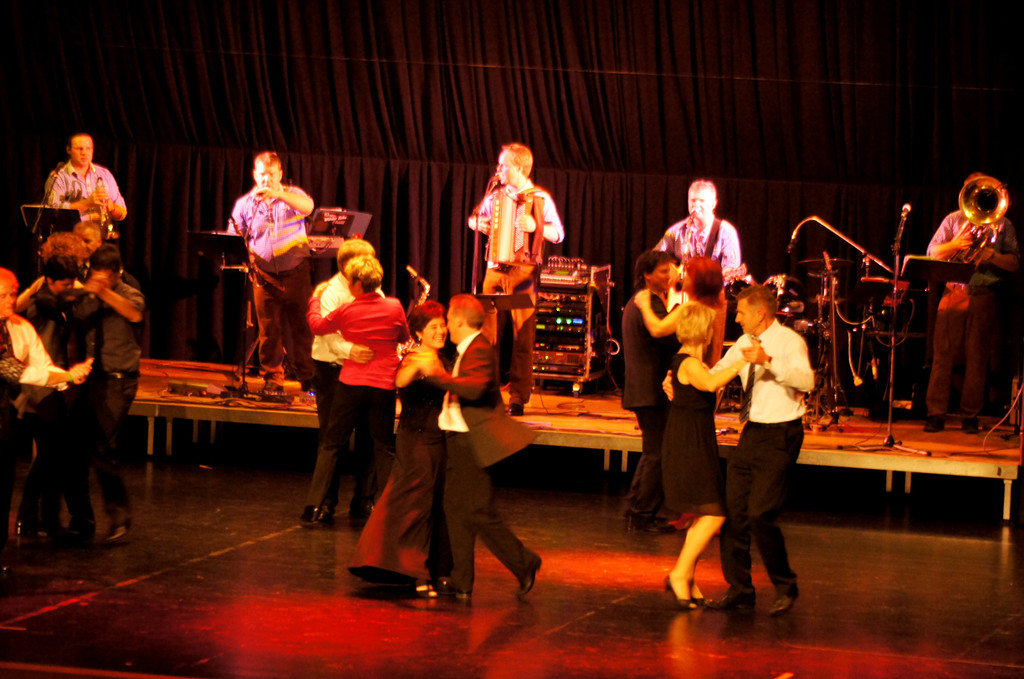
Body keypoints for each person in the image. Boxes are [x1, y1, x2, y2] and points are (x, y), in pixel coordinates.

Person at [419, 294, 540, 600]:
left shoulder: (479, 349)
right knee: (456, 509)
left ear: (460, 321)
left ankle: (524, 562)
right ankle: (462, 580)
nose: (446, 324)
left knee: (478, 512)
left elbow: (473, 390)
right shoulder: (468, 349)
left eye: (449, 319)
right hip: (459, 439)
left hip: (472, 443)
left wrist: (436, 375)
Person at [706, 284, 814, 616]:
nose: (736, 318)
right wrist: (680, 378)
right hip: (751, 433)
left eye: (740, 313)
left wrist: (768, 361)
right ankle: (740, 590)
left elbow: (807, 382)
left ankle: (785, 585)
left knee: (760, 514)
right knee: (733, 515)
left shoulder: (789, 342)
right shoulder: (743, 342)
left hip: (781, 434)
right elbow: (716, 374)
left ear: (760, 314)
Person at [349, 301, 453, 593]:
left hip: (439, 442)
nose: (441, 330)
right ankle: (416, 572)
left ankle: (435, 570)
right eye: (433, 326)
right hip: (415, 441)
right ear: (419, 332)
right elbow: (399, 380)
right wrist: (420, 366)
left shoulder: (444, 359)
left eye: (443, 325)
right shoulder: (413, 359)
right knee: (415, 505)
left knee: (436, 505)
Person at [1, 268, 93, 573]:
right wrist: (65, 376)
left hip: (3, 417)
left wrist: (67, 375)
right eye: (3, 296)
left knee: (4, 484)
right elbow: (13, 370)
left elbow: (42, 365)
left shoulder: (21, 327)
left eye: (13, 294)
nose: (11, 300)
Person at [304, 255, 409, 524]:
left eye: (350, 280)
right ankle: (390, 509)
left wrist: (315, 299)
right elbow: (404, 337)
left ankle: (314, 506)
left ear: (358, 284)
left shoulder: (348, 310)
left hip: (351, 385)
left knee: (331, 444)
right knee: (383, 447)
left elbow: (317, 325)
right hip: (383, 386)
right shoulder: (395, 306)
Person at [660, 302, 747, 609]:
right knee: (714, 513)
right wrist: (744, 361)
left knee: (704, 513)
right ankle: (679, 573)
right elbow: (710, 383)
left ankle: (687, 577)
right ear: (703, 331)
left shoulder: (690, 362)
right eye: (710, 327)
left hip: (695, 440)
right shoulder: (688, 363)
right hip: (688, 444)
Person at [468, 143, 564, 416]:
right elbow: (474, 218)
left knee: (522, 335)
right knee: (487, 334)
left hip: (523, 272)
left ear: (520, 168)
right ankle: (486, 392)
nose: (499, 169)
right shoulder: (495, 196)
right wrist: (478, 223)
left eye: (504, 165)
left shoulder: (540, 198)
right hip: (494, 270)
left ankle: (518, 396)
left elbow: (558, 234)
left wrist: (536, 226)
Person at [923, 174, 1019, 434]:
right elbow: (933, 253)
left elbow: (1014, 263)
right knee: (942, 356)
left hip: (984, 294)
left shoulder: (1003, 223)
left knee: (978, 358)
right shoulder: (953, 220)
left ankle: (970, 415)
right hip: (954, 292)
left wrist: (991, 254)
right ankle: (935, 414)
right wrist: (958, 243)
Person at [71, 245, 146, 544]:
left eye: (106, 276)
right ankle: (80, 517)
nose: (100, 281)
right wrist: (89, 293)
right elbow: (77, 313)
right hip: (91, 378)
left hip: (119, 381)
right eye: (95, 275)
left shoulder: (130, 293)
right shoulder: (89, 294)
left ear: (118, 273)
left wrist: (104, 292)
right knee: (74, 446)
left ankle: (119, 516)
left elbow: (134, 314)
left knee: (102, 445)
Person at [304, 238, 380, 524]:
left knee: (369, 435)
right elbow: (325, 332)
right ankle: (325, 502)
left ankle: (364, 499)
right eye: (364, 261)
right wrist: (351, 350)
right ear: (346, 266)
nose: (370, 266)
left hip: (365, 371)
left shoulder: (373, 289)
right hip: (333, 371)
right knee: (332, 437)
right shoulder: (329, 292)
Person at [230, 151, 316, 393]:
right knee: (269, 331)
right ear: (254, 175)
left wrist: (279, 194)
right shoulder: (246, 204)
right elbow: (234, 232)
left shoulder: (294, 195)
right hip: (264, 277)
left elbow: (308, 208)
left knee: (303, 328)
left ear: (279, 174)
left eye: (270, 174)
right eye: (261, 174)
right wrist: (244, 252)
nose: (266, 179)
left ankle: (308, 376)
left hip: (296, 274)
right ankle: (273, 379)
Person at [14, 254, 83, 539]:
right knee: (49, 453)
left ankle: (38, 517)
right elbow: (62, 304)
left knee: (50, 453)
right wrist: (89, 291)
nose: (70, 288)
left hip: (52, 383)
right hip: (40, 386)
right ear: (49, 280)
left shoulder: (54, 297)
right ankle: (30, 515)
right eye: (65, 284)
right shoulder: (43, 299)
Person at [619, 250, 681, 533]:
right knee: (657, 453)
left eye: (670, 271)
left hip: (642, 388)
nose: (669, 276)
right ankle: (642, 513)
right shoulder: (649, 302)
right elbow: (667, 337)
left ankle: (635, 507)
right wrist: (682, 314)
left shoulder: (642, 300)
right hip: (650, 389)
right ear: (646, 274)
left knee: (652, 451)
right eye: (663, 271)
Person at [48, 133, 127, 236]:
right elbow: (53, 212)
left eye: (88, 148)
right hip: (70, 237)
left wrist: (111, 207)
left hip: (99, 237)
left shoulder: (105, 174)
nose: (84, 153)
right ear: (68, 150)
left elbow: (122, 213)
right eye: (79, 149)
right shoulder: (59, 176)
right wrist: (87, 203)